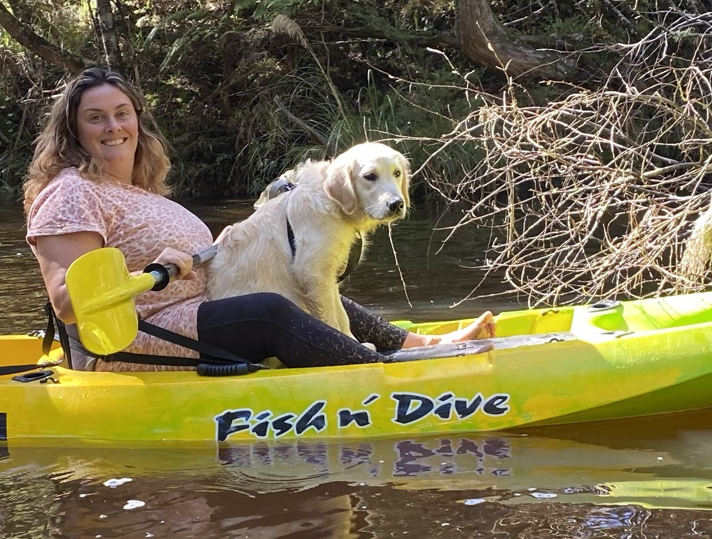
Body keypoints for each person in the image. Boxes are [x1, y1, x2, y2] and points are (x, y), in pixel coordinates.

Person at [24, 67, 492, 370]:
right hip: (140, 340)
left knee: (292, 285)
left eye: (122, 114)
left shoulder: (138, 191)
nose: (113, 127)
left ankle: (424, 347)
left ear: (136, 121)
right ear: (74, 131)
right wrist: (149, 274)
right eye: (96, 118)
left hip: (194, 313)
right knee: (269, 311)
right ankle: (378, 373)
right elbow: (69, 303)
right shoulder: (71, 192)